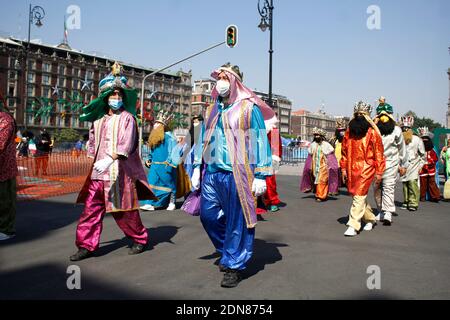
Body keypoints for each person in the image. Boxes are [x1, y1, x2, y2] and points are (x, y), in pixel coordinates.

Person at [192, 63, 276, 288]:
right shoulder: (212, 109)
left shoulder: (249, 108)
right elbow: (203, 139)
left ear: (235, 82)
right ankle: (227, 250)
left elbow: (260, 140)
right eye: (218, 78)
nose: (219, 82)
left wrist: (261, 174)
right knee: (208, 216)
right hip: (212, 173)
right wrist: (195, 168)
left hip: (237, 174)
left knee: (238, 221)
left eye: (224, 78)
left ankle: (234, 265)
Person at [70, 62, 157, 261]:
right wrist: (95, 158)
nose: (116, 98)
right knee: (90, 211)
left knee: (124, 211)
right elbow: (92, 141)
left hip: (119, 172)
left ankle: (139, 238)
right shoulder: (98, 119)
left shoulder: (128, 118)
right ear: (105, 97)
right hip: (98, 173)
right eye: (112, 95)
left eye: (119, 95)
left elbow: (127, 143)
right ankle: (86, 245)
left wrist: (110, 158)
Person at [341, 101, 386, 237]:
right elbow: (344, 151)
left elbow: (379, 153)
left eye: (362, 114)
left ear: (367, 117)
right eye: (357, 114)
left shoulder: (372, 133)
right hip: (351, 168)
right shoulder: (349, 133)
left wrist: (379, 171)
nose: (359, 116)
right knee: (357, 196)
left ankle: (353, 225)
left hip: (367, 168)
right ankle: (371, 219)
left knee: (359, 195)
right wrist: (343, 168)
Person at [373, 98, 408, 225]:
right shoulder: (374, 131)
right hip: (376, 165)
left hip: (391, 163)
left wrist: (404, 165)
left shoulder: (397, 130)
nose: (384, 118)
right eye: (381, 115)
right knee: (376, 188)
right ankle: (380, 210)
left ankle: (387, 212)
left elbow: (402, 149)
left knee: (388, 186)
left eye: (386, 115)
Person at [139, 111, 182, 211]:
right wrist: (148, 160)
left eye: (158, 123)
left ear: (163, 126)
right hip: (154, 166)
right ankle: (149, 203)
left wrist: (171, 163)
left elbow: (175, 152)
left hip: (166, 166)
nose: (155, 125)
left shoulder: (170, 137)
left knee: (169, 185)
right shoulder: (154, 138)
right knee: (151, 184)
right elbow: (151, 152)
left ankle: (172, 202)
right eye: (155, 123)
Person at [300, 127, 339, 202]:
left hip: (324, 166)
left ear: (321, 136)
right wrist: (308, 167)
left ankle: (320, 196)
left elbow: (331, 157)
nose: (316, 136)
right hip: (315, 166)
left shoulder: (326, 145)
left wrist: (331, 166)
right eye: (315, 135)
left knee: (322, 180)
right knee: (316, 180)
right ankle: (319, 193)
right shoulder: (313, 145)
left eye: (318, 135)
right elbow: (310, 157)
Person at [399, 116, 426, 211]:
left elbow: (423, 154)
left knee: (412, 183)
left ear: (410, 129)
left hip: (414, 164)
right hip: (403, 164)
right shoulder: (399, 139)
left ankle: (413, 202)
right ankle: (406, 201)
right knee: (405, 184)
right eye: (403, 129)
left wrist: (420, 166)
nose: (405, 130)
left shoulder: (417, 139)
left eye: (407, 129)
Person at [0, 102, 17, 241]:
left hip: (4, 168)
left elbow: (0, 143)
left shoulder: (5, 119)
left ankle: (6, 229)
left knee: (4, 201)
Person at [418, 127, 440, 202]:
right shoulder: (419, 149)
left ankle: (435, 197)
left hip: (431, 169)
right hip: (422, 170)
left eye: (426, 139)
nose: (424, 141)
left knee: (432, 184)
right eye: (423, 139)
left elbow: (436, 159)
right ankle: (422, 197)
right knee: (423, 184)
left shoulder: (432, 150)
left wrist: (431, 162)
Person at [330, 118, 347, 191]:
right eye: (340, 132)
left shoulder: (347, 140)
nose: (342, 134)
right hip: (335, 161)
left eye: (343, 132)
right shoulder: (333, 140)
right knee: (334, 175)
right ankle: (334, 188)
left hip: (344, 160)